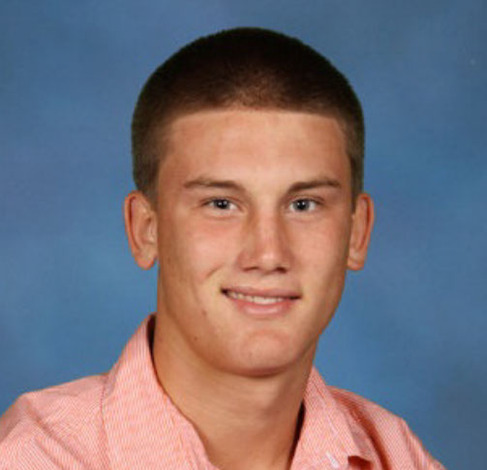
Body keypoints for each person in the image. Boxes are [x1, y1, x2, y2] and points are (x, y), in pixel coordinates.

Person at [0, 27, 445, 469]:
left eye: (304, 205)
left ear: (357, 233)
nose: (268, 254)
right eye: (221, 204)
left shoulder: (396, 454)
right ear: (145, 230)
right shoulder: (35, 457)